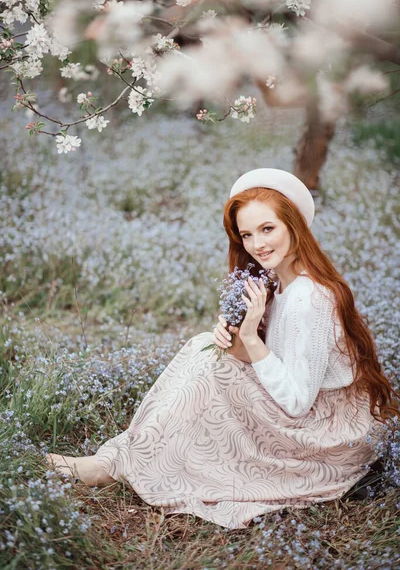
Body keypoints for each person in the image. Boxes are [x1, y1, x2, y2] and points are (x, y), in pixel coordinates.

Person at [47, 167, 399, 530]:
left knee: (213, 374)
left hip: (327, 435)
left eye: (268, 229)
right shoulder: (278, 284)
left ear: (295, 226)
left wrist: (248, 339)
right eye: (247, 234)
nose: (257, 244)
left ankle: (120, 466)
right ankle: (125, 459)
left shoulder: (309, 298)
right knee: (205, 349)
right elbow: (273, 361)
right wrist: (236, 342)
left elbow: (296, 402)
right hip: (310, 413)